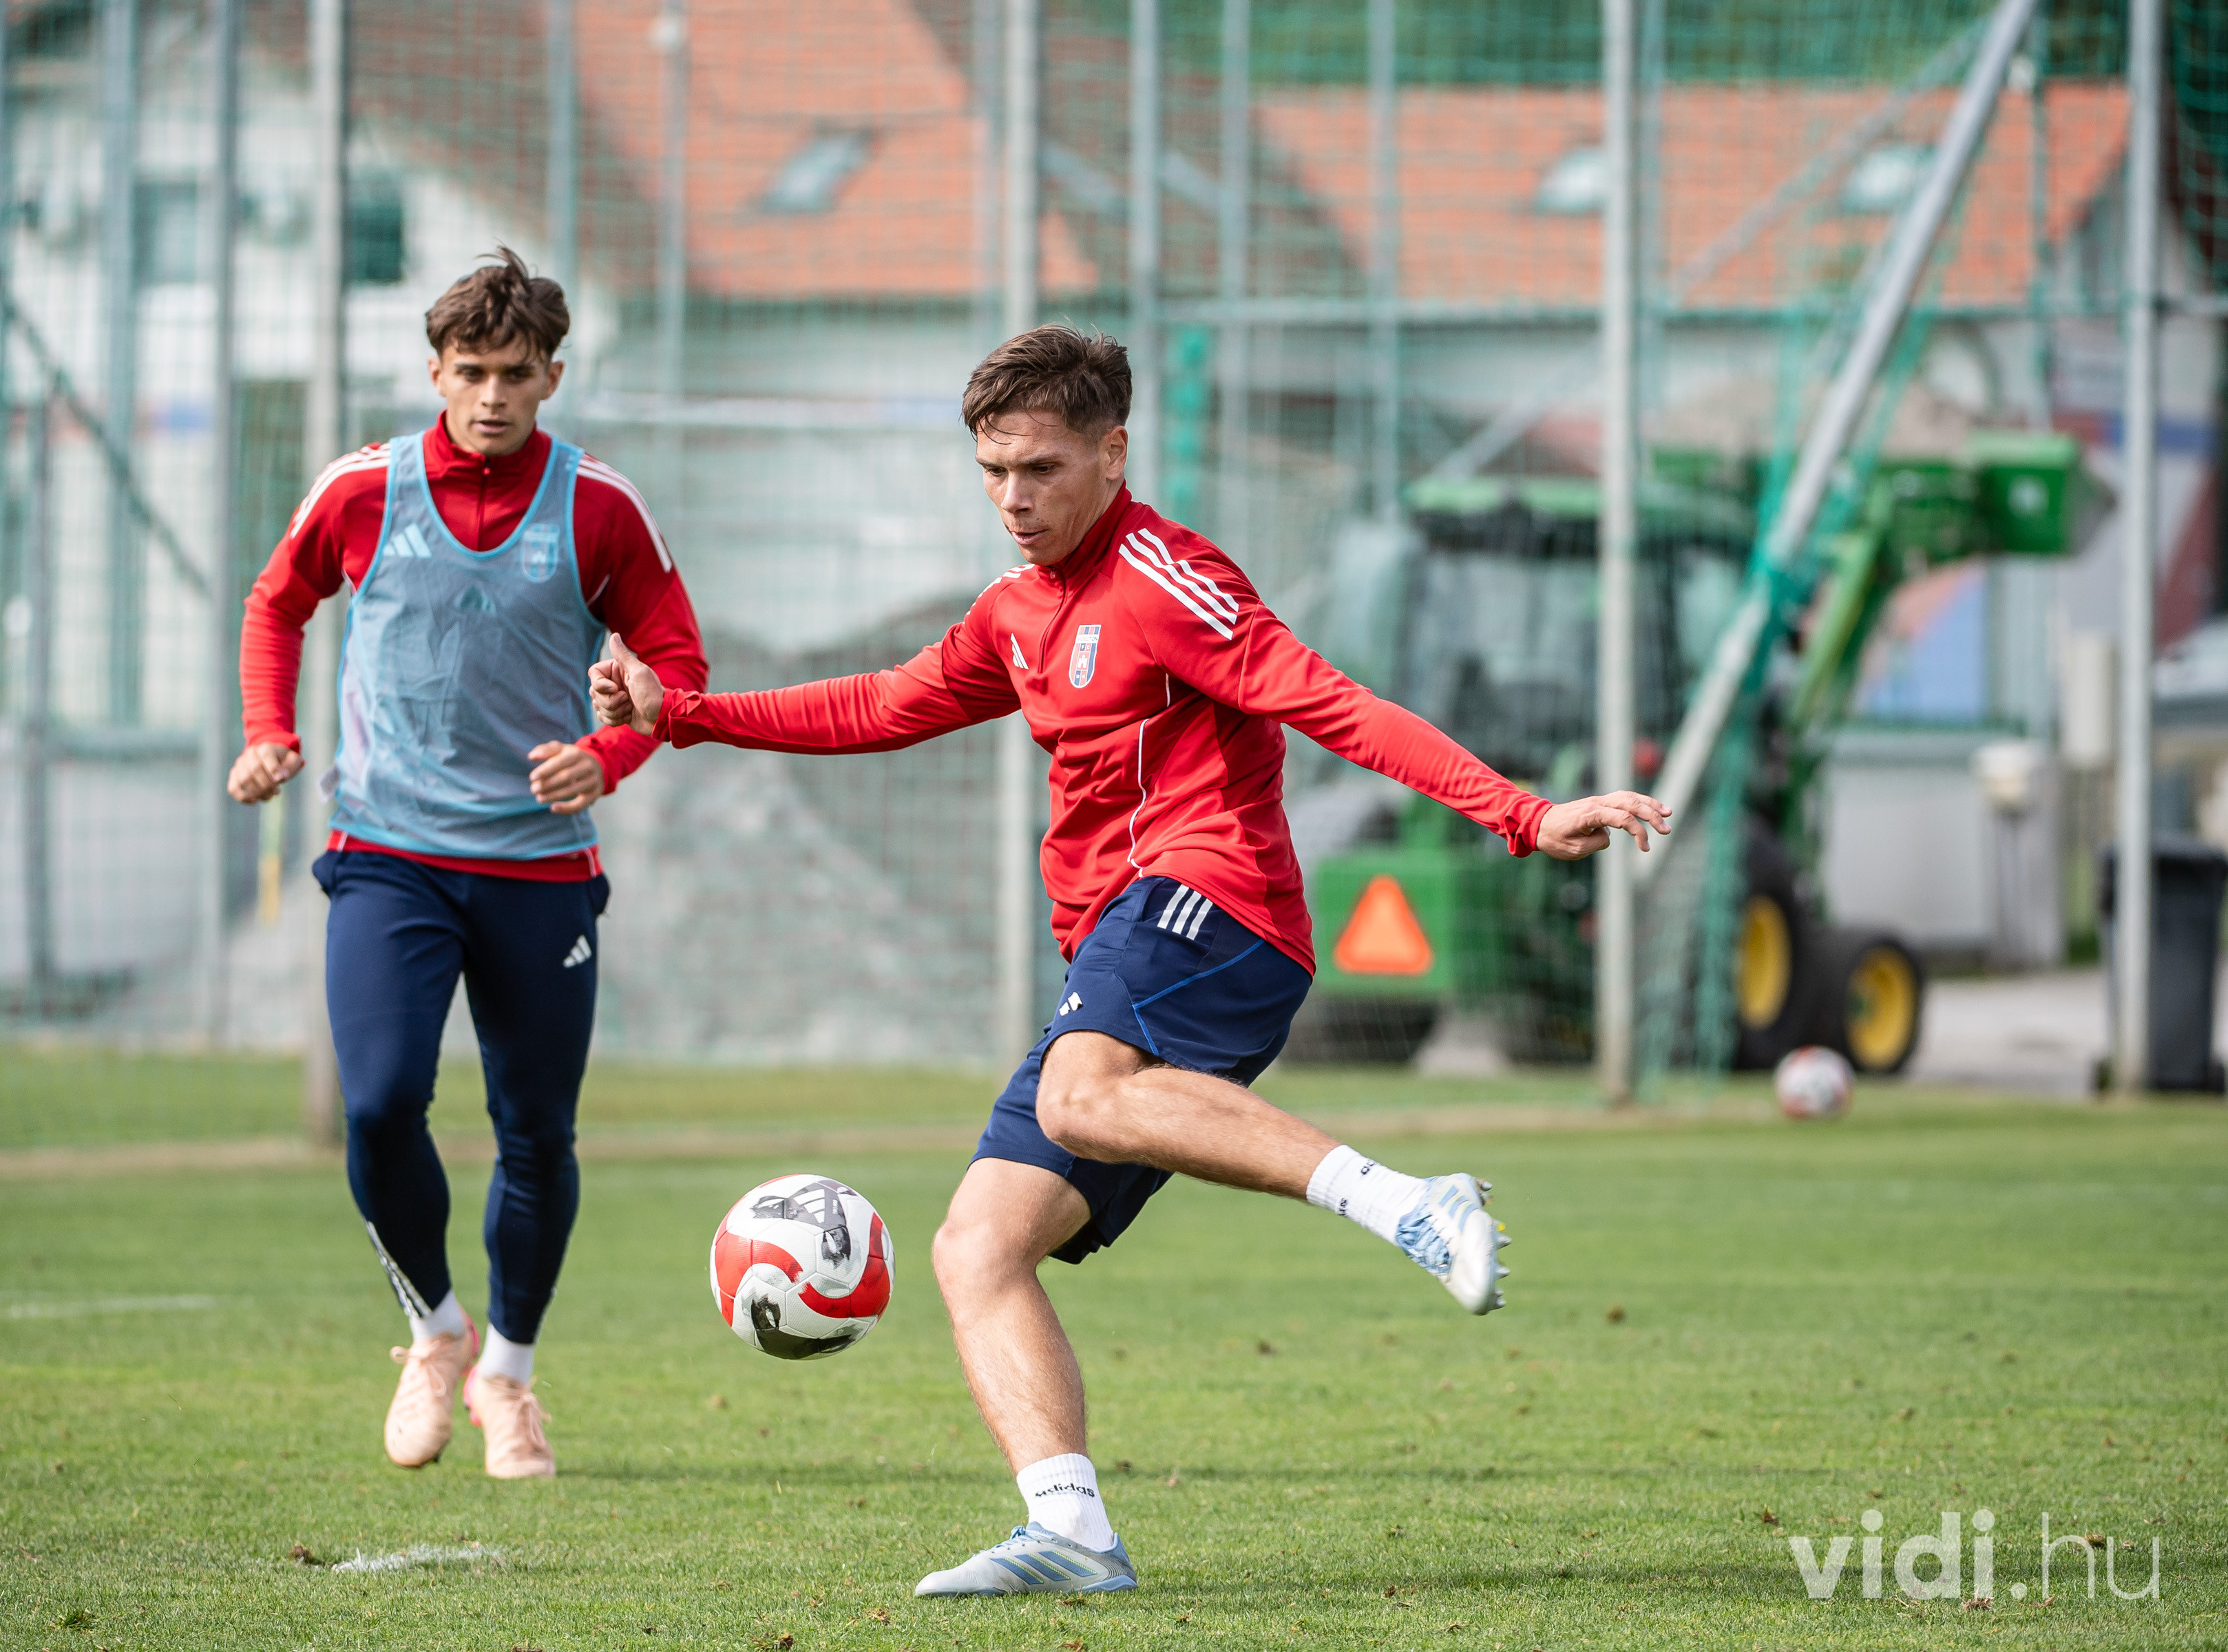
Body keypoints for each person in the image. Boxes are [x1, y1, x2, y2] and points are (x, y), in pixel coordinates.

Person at [590, 324, 1667, 1591]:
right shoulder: (1014, 611)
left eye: (1040, 468)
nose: (1013, 498)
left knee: (1076, 1095)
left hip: (1217, 898)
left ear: (1112, 454)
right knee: (978, 1246)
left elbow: (1332, 702)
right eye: (993, 471)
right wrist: (688, 715)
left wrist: (1519, 812)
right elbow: (883, 705)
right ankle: (1071, 1531)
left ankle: (1411, 1204)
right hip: (1118, 937)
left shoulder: (1169, 579)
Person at [228, 249, 706, 1479]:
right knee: (380, 1102)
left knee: (535, 1132)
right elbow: (276, 603)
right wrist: (269, 731)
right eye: (472, 372)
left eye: (516, 374)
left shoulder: (601, 508)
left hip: (541, 870)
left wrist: (609, 755)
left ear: (553, 377)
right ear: (436, 372)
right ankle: (435, 1331)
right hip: (386, 852)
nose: (493, 396)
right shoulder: (362, 490)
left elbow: (676, 669)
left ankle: (509, 1375)